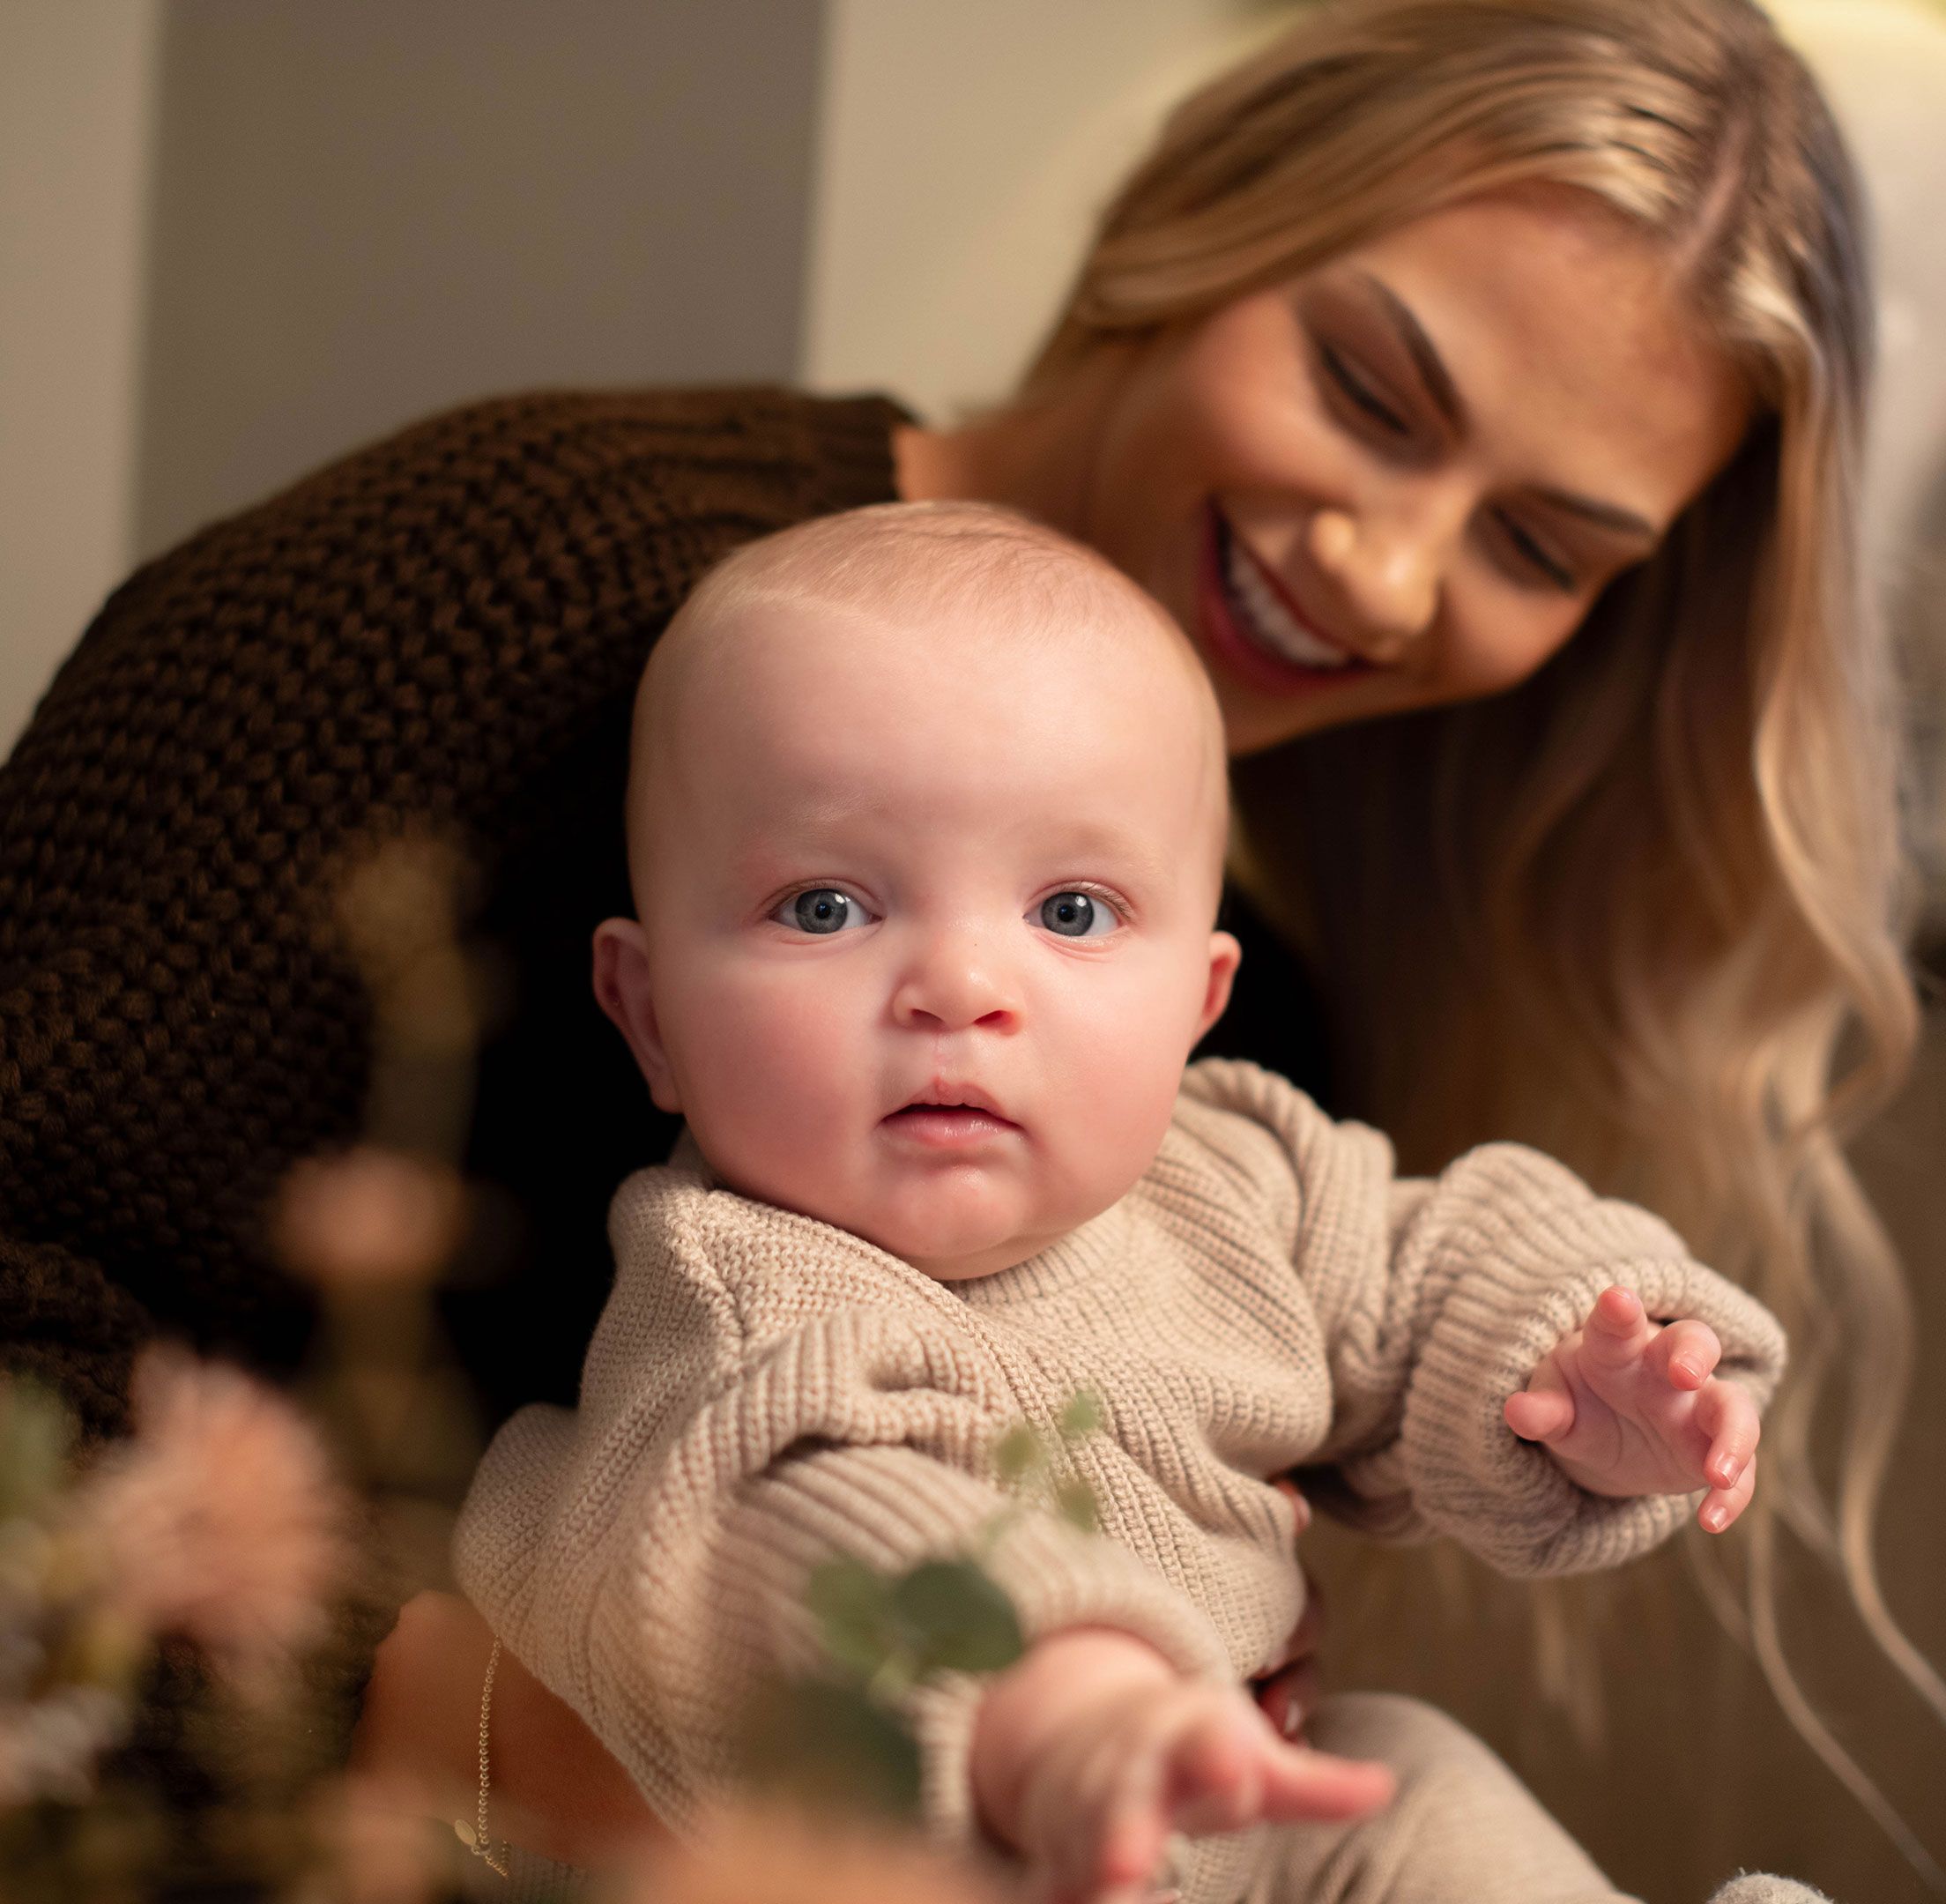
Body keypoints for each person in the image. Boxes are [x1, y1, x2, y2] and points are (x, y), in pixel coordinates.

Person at [0, 0, 1946, 1875]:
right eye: (1366, 388)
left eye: (1539, 546)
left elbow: (1407, 1298)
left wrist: (1593, 1373)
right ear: (1209, 215)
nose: (1382, 567)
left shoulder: (1249, 1044)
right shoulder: (509, 590)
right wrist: (480, 1731)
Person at [451, 498, 1800, 1904]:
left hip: (1242, 1822)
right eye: (828, 908)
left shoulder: (1230, 1179)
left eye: (1073, 912)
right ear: (650, 1013)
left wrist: (1582, 1370)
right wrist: (1066, 1706)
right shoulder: (742, 1302)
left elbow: (1427, 1268)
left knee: (1408, 1773)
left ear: (1196, 1007)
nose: (961, 990)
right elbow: (816, 1537)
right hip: (965, 1845)